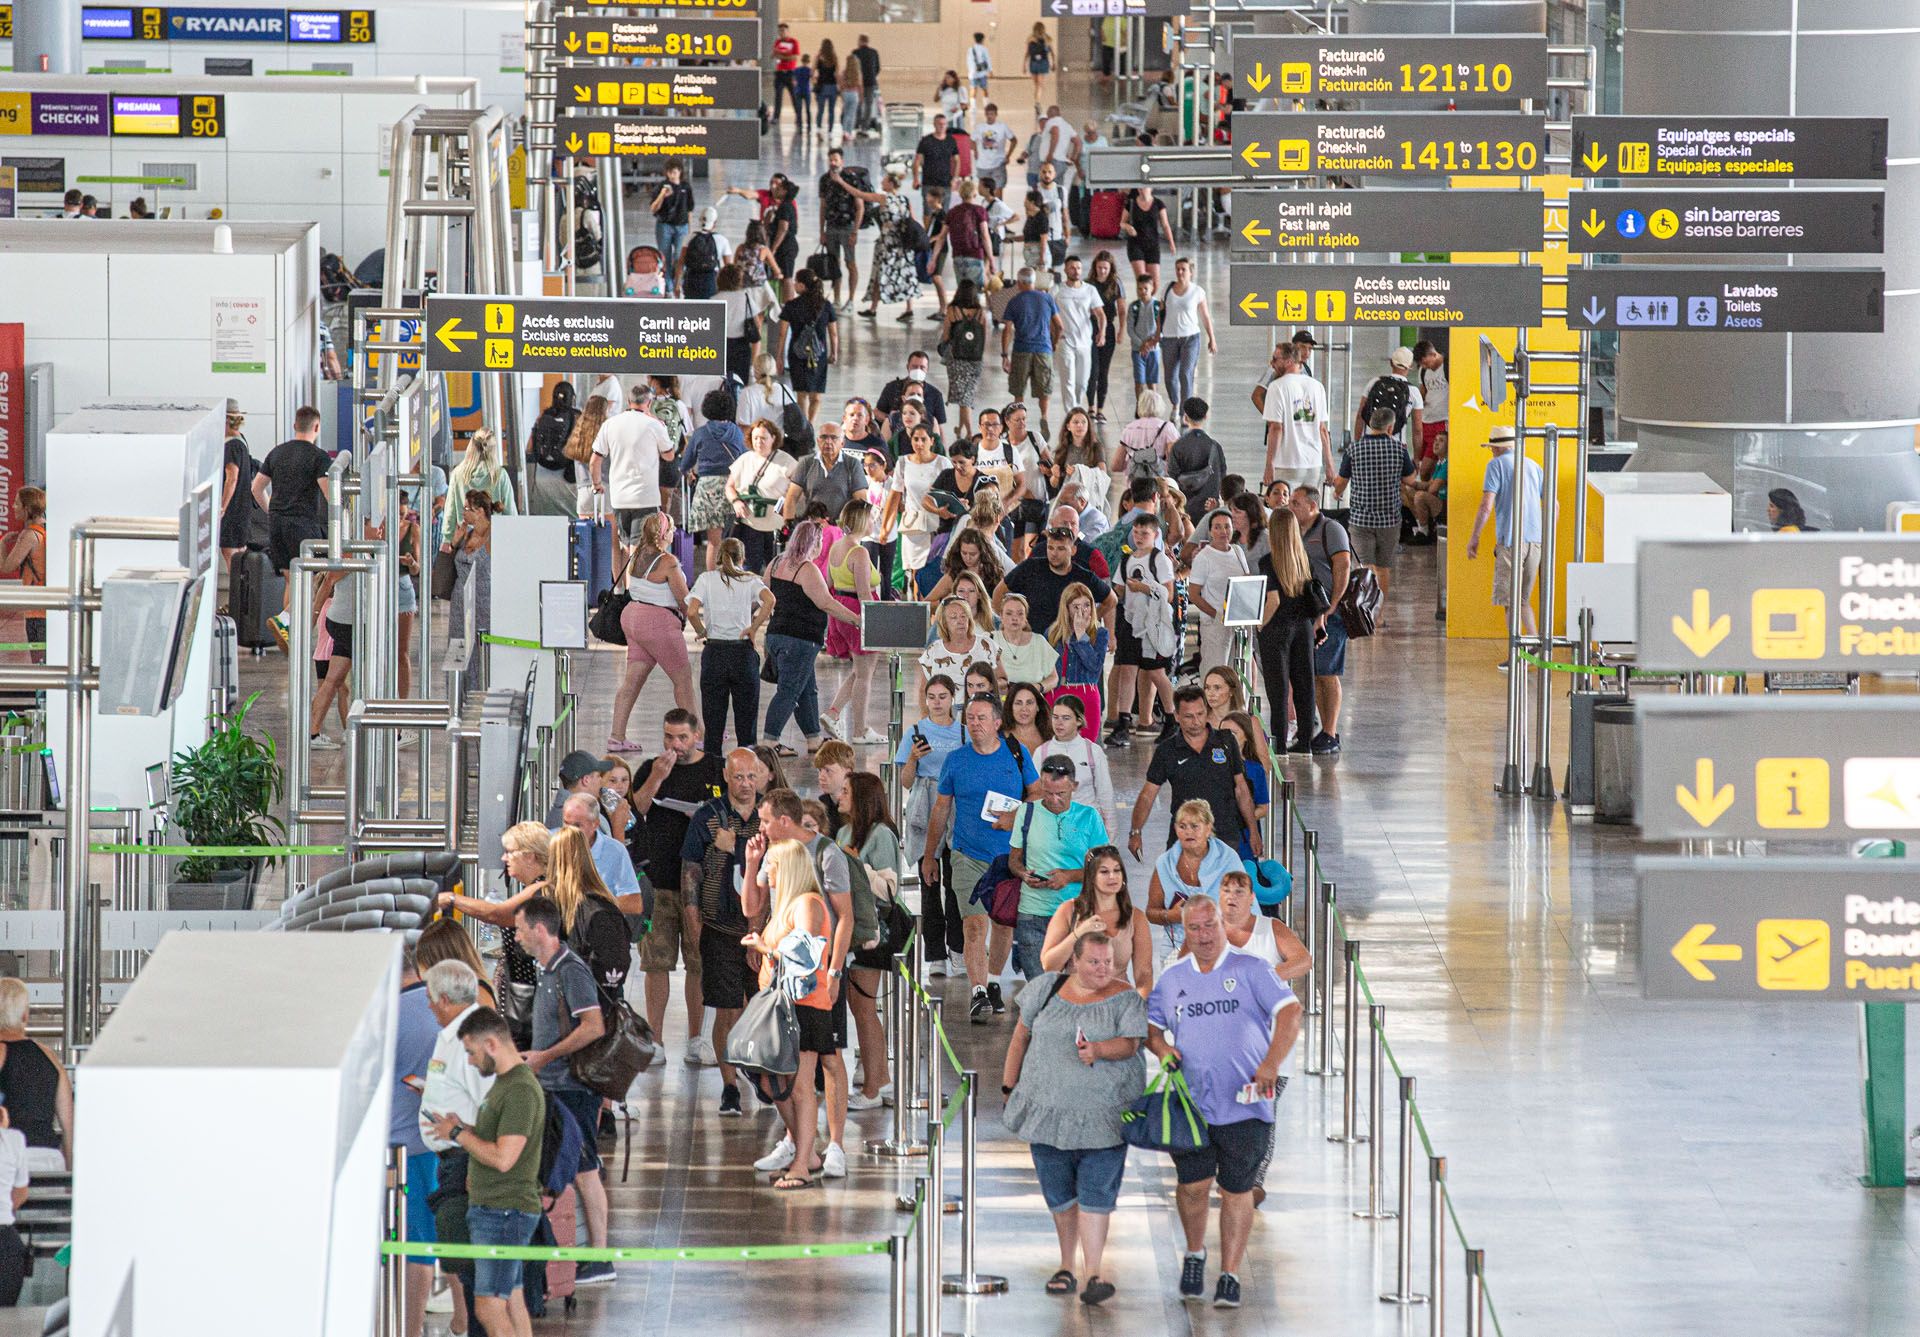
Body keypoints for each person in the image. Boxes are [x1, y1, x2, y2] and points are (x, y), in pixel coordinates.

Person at [1147, 896, 1301, 1308]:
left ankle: (1230, 1273)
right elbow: (1153, 1027)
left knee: (1238, 1189)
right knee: (1192, 1188)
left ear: (1222, 925)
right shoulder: (1173, 977)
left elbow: (1290, 1012)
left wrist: (1271, 1063)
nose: (1203, 935)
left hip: (1247, 1106)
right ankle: (1195, 1253)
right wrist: (1162, 1049)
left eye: (1209, 926)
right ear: (1184, 931)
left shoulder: (1253, 970)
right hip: (1193, 1106)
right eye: (1194, 928)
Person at [1000, 930, 1147, 1308]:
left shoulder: (1125, 998)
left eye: (1108, 962)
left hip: (1105, 1116)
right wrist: (1008, 1087)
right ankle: (1067, 1265)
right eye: (1094, 962)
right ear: (1074, 962)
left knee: (1097, 1192)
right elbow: (1020, 1037)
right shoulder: (1046, 988)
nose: (1103, 969)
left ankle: (1094, 1273)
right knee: (1060, 1193)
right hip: (1047, 1113)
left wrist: (1099, 1049)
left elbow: (1130, 1044)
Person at [511, 896, 616, 1285]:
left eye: (520, 929)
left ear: (540, 930)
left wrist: (545, 1057)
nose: (517, 937)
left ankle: (601, 1258)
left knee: (586, 1170)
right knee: (575, 1168)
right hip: (554, 1085)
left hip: (572, 1088)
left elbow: (593, 1026)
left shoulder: (571, 971)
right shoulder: (548, 970)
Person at [425, 1007, 545, 1337]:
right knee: (512, 1299)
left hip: (503, 1211)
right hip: (498, 1209)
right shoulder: (507, 1084)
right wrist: (464, 1126)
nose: (470, 1061)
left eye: (471, 1052)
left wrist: (457, 1135)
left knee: (489, 1307)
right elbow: (501, 1137)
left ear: (492, 1044)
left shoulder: (519, 1090)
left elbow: (505, 1157)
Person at [921, 693, 1040, 1019]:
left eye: (981, 718)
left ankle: (993, 982)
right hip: (966, 855)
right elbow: (941, 807)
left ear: (998, 722)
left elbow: (1037, 795)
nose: (974, 724)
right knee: (974, 925)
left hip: (1009, 859)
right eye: (970, 718)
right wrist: (929, 855)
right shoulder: (956, 761)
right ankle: (977, 992)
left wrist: (1015, 819)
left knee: (1003, 926)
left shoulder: (1016, 754)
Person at [738, 838, 836, 1189]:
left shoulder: (808, 904)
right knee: (773, 1079)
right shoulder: (787, 906)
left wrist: (764, 947)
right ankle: (804, 1150)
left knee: (800, 1087)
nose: (769, 874)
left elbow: (805, 958)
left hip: (805, 1007)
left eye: (772, 867)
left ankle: (803, 1161)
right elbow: (751, 905)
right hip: (781, 1004)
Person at [679, 748, 763, 1116]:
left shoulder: (768, 817)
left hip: (763, 929)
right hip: (719, 925)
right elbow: (690, 871)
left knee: (760, 1007)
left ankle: (761, 1072)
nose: (745, 784)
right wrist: (693, 922)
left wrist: (739, 846)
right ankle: (730, 1084)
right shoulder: (707, 818)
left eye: (751, 776)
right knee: (725, 1009)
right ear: (726, 777)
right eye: (739, 776)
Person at [415, 959, 491, 1337]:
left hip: (467, 1166)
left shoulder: (471, 1040)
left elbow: (493, 1111)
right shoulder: (454, 1034)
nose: (427, 1005)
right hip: (454, 1160)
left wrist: (458, 1131)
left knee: (476, 1275)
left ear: (444, 998)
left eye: (430, 999)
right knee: (461, 1260)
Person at [1129, 685, 1261, 860]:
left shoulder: (1227, 742)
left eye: (1200, 714)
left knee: (1223, 887)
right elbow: (1148, 795)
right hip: (1184, 839)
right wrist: (1135, 831)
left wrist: (1253, 831)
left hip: (1225, 837)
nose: (1196, 721)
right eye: (1189, 716)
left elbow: (1241, 789)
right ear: (1176, 716)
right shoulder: (1167, 750)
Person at [763, 521, 861, 756]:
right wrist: (857, 619)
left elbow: (765, 590)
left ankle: (813, 739)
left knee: (807, 690)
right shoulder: (807, 569)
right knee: (789, 691)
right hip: (800, 640)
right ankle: (769, 743)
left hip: (776, 635)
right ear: (815, 543)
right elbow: (826, 603)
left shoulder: (776, 563)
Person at [1007, 754, 1107, 975]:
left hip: (1077, 914)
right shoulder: (1026, 812)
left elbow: (1103, 868)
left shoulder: (1089, 817)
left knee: (1074, 989)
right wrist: (1023, 874)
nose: (1053, 800)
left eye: (1060, 794)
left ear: (1074, 786)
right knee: (1041, 990)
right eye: (1047, 792)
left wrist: (1068, 877)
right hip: (1032, 914)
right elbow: (1013, 859)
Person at [837, 771, 902, 1107]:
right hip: (849, 928)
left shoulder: (881, 835)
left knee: (864, 1007)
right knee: (857, 1006)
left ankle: (874, 1086)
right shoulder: (845, 831)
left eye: (846, 791)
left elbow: (890, 889)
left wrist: (853, 866)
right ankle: (880, 1080)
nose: (839, 796)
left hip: (872, 929)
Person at [390, 948, 444, 1337]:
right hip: (429, 1145)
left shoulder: (389, 1016)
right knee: (427, 1239)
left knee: (413, 1245)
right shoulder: (433, 1009)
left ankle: (406, 1329)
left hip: (398, 1147)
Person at [899, 674, 967, 972]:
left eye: (943, 696)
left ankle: (958, 947)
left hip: (956, 805)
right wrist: (913, 758)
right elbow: (905, 781)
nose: (937, 703)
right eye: (932, 697)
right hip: (925, 804)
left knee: (955, 884)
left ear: (952, 697)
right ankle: (935, 953)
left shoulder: (964, 733)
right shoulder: (915, 732)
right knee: (929, 884)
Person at [251, 404, 330, 647]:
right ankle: (286, 619)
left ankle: (290, 632)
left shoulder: (276, 453)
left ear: (295, 425)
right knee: (315, 577)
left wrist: (271, 511)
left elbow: (257, 488)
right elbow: (329, 494)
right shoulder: (319, 457)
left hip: (277, 524)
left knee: (290, 578)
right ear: (316, 427)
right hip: (303, 526)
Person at [687, 539, 774, 754]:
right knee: (746, 724)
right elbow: (770, 600)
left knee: (713, 724)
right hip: (742, 653)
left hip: (715, 652)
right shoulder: (749, 580)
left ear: (718, 556)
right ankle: (746, 771)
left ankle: (712, 777)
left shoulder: (706, 579)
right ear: (742, 558)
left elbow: (691, 611)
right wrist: (754, 627)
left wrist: (701, 630)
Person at [1466, 422, 1544, 642]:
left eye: (1492, 447)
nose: (1491, 451)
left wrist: (1475, 538)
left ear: (1497, 448)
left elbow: (1486, 505)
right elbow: (1553, 505)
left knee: (1510, 602)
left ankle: (1516, 652)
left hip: (1511, 542)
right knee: (1522, 600)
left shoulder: (1496, 466)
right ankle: (1535, 641)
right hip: (1535, 542)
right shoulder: (1533, 465)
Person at [819, 498, 886, 745]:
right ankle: (860, 729)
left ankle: (834, 712)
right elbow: (864, 593)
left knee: (859, 670)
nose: (874, 521)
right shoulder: (859, 551)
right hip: (859, 613)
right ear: (861, 520)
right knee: (865, 674)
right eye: (871, 518)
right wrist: (875, 622)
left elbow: (830, 583)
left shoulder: (838, 546)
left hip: (840, 610)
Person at [1291, 485, 1351, 755]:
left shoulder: (1331, 529)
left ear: (1313, 506)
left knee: (1328, 673)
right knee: (1315, 672)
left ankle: (1331, 731)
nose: (1291, 507)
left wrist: (1332, 607)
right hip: (1309, 611)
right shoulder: (1297, 532)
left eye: (1296, 503)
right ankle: (1325, 731)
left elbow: (1343, 566)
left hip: (1330, 613)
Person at [1038, 847, 1152, 990]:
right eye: (1104, 872)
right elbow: (1049, 965)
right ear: (1091, 877)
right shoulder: (1068, 910)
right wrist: (1078, 933)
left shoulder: (1136, 918)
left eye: (1117, 870)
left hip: (1118, 1004)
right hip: (1077, 1005)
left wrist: (1140, 1006)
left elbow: (1144, 974)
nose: (1112, 876)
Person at [1256, 507, 1320, 753]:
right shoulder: (1304, 559)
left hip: (1277, 630)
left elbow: (1273, 601)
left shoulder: (1269, 562)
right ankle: (1305, 743)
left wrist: (1259, 624)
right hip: (1303, 627)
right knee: (1305, 685)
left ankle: (1280, 745)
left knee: (1278, 689)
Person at [1340, 404, 1416, 606]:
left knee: (1365, 566)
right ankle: (1378, 614)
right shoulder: (1399, 450)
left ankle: (1364, 607)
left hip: (1360, 519)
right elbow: (1410, 480)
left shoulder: (1353, 449)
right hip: (1389, 519)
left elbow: (1340, 483)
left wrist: (1336, 492)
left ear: (1369, 425)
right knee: (1383, 568)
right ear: (1390, 428)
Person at [1112, 511, 1177, 741]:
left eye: (1145, 533)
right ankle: (1123, 722)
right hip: (1131, 622)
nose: (1139, 537)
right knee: (1127, 670)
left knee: (1156, 672)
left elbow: (1168, 594)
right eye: (1136, 533)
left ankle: (1172, 719)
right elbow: (1119, 590)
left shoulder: (1160, 559)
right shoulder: (1127, 559)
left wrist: (1145, 588)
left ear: (1155, 534)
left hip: (1154, 624)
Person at [0, 979, 72, 1171]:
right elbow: (69, 1127)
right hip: (48, 1161)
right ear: (25, 1015)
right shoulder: (50, 1057)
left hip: (7, 1160)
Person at [996, 522, 1114, 633]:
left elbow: (1111, 600)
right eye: (1050, 548)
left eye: (1061, 549)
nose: (1054, 553)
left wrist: (1088, 624)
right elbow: (999, 592)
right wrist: (1003, 624)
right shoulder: (1031, 567)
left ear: (1073, 550)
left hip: (1065, 644)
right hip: (1031, 641)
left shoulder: (1084, 577)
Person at [844, 169, 921, 321]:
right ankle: (908, 308)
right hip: (903, 244)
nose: (881, 183)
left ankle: (873, 308)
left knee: (879, 273)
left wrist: (841, 182)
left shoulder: (884, 198)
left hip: (887, 243)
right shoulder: (904, 200)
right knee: (905, 273)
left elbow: (860, 195)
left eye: (884, 181)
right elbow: (912, 221)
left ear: (891, 184)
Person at [727, 417, 798, 573]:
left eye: (763, 438)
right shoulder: (744, 459)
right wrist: (736, 501)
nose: (759, 442)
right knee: (749, 568)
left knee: (776, 568)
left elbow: (799, 490)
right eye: (756, 438)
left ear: (773, 438)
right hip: (749, 523)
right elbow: (730, 486)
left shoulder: (786, 461)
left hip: (775, 524)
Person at [1260, 342, 1334, 492]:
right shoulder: (1317, 387)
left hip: (1287, 463)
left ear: (1288, 362)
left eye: (1275, 359)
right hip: (1313, 463)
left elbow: (1276, 428)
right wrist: (1329, 465)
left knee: (1285, 512)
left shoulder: (1277, 387)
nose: (1271, 363)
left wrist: (1269, 464)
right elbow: (1322, 430)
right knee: (1310, 511)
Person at [1036, 695, 1114, 832]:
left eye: (1066, 718)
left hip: (1087, 829)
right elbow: (1036, 795)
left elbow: (1106, 796)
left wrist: (1111, 842)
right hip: (1051, 829)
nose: (1059, 723)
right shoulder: (1041, 752)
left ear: (1079, 721)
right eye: (1055, 717)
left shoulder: (1094, 752)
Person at [1001, 267, 1064, 423]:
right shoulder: (1047, 298)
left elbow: (1007, 330)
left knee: (1018, 389)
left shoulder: (1014, 301)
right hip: (1043, 349)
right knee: (1044, 388)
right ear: (1034, 281)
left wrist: (1004, 354)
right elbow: (1060, 326)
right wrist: (1054, 343)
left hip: (1021, 350)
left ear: (1020, 282)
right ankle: (1044, 416)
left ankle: (1019, 419)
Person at [1046, 581, 1108, 739]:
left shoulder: (1100, 634)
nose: (1082, 611)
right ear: (1066, 609)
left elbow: (1095, 668)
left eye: (1086, 605)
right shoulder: (1052, 633)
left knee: (1087, 751)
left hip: (1087, 694)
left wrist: (1081, 637)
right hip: (1058, 693)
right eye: (1076, 606)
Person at [775, 269, 838, 423]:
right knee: (816, 396)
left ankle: (804, 426)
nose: (794, 285)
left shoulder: (791, 305)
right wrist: (834, 353)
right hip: (818, 355)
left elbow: (782, 334)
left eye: (796, 282)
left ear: (802, 286)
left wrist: (779, 356)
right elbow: (834, 333)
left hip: (797, 354)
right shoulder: (826, 305)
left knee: (801, 394)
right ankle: (811, 424)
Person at [1156, 257, 1215, 412]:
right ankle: (1175, 403)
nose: (1180, 272)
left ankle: (1184, 411)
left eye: (1184, 269)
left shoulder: (1197, 291)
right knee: (1169, 376)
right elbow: (1160, 313)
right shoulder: (1167, 289)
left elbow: (1205, 316)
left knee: (1186, 373)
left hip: (1190, 338)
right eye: (1178, 269)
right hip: (1169, 338)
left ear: (1190, 272)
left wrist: (1212, 338)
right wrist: (1157, 334)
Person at [1051, 255, 1106, 415]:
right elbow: (1049, 316)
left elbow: (1100, 314)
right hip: (1065, 341)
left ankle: (1076, 406)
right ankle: (1072, 414)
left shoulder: (1090, 290)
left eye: (1079, 268)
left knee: (1082, 382)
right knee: (1068, 380)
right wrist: (1053, 336)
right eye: (1072, 268)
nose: (1076, 271)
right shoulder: (1057, 290)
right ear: (1066, 269)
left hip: (1084, 342)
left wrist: (1101, 333)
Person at [785, 417, 865, 523]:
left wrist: (854, 530)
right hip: (812, 528)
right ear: (818, 441)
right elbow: (792, 497)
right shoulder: (806, 463)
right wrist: (788, 525)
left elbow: (861, 501)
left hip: (841, 529)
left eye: (833, 438)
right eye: (824, 437)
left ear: (842, 443)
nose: (828, 441)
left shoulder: (853, 464)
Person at [939, 282, 991, 437]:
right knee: (966, 396)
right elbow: (985, 337)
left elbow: (947, 335)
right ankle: (960, 428)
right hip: (975, 359)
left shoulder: (953, 310)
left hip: (957, 359)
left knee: (964, 399)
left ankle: (968, 432)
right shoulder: (981, 312)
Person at [1354, 344, 1424, 457]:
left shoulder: (1374, 383)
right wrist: (1416, 458)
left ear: (1391, 362)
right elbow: (1417, 429)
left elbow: (1360, 416)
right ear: (1409, 366)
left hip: (1369, 446)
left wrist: (1357, 445)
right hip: (1397, 447)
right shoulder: (1413, 391)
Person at [1169, 397, 1228, 522]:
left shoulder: (1178, 446)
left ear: (1185, 417)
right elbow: (1223, 477)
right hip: (1209, 507)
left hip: (1185, 508)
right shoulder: (1214, 446)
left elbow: (1172, 477)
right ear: (1206, 416)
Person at [216, 400, 256, 570]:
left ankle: (237, 595)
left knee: (230, 555)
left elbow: (231, 478)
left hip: (232, 509)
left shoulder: (231, 445)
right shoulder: (242, 440)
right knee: (240, 554)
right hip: (243, 507)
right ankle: (244, 594)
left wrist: (222, 507)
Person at [1086, 252, 1125, 422]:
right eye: (1100, 267)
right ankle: (1090, 408)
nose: (1102, 271)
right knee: (1092, 370)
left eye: (1105, 268)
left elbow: (1122, 309)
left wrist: (1121, 330)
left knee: (1103, 370)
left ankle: (1100, 408)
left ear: (1111, 269)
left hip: (1108, 327)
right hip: (1090, 328)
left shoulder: (1116, 284)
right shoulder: (1088, 284)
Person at [650, 162, 695, 294]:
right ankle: (668, 287)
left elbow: (689, 209)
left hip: (682, 226)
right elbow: (653, 208)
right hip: (664, 226)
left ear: (680, 172)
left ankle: (678, 283)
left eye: (674, 172)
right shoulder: (661, 187)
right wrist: (662, 196)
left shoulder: (685, 188)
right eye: (669, 172)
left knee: (679, 256)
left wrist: (689, 229)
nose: (672, 175)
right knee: (665, 257)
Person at [877, 349, 951, 428]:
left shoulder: (935, 395)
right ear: (907, 367)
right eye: (914, 367)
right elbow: (877, 412)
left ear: (927, 369)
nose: (918, 370)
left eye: (922, 367)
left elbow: (939, 426)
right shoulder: (891, 388)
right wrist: (892, 419)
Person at [1121, 186, 1174, 287]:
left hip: (1152, 245)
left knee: (1154, 284)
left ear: (1151, 188)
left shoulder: (1159, 204)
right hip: (1135, 244)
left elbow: (1165, 225)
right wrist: (1128, 227)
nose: (1141, 189)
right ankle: (1141, 302)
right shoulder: (1131, 203)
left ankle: (1149, 301)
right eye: (1139, 188)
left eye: (1144, 187)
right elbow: (1122, 223)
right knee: (1142, 280)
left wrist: (1171, 242)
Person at [678, 206, 727, 300]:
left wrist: (677, 284)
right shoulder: (722, 240)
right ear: (715, 223)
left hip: (691, 280)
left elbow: (681, 262)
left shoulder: (689, 238)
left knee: (691, 311)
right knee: (709, 311)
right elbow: (728, 267)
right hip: (711, 281)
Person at [1414, 339, 1449, 466]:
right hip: (1426, 420)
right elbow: (1422, 391)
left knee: (1427, 467)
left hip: (1442, 421)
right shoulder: (1423, 371)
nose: (1425, 366)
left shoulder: (1448, 367)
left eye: (1426, 363)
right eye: (1422, 364)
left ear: (1433, 354)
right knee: (1423, 465)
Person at [1127, 273, 1162, 398]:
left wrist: (1151, 343)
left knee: (1152, 381)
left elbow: (1161, 328)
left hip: (1153, 350)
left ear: (1152, 288)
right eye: (1139, 289)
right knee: (1139, 381)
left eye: (1145, 288)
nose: (1142, 292)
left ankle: (1153, 408)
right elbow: (1130, 329)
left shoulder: (1158, 306)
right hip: (1138, 350)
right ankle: (1140, 408)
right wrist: (1141, 344)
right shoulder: (1133, 307)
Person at [914, 113, 962, 204]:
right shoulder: (926, 140)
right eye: (939, 124)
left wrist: (955, 179)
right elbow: (917, 160)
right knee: (928, 213)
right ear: (934, 125)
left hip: (946, 183)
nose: (942, 126)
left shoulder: (951, 141)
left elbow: (957, 161)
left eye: (944, 124)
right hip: (929, 182)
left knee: (944, 212)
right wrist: (916, 178)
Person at [974, 104, 1015, 192]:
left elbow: (1014, 140)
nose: (990, 116)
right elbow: (972, 140)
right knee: (984, 191)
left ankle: (997, 205)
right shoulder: (980, 127)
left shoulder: (1002, 127)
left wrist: (1008, 156)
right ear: (985, 114)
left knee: (998, 190)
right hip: (983, 164)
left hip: (998, 164)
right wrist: (975, 151)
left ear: (996, 115)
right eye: (988, 114)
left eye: (992, 114)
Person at [771, 22, 801, 121]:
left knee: (794, 95)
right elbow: (773, 55)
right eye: (780, 31)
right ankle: (776, 117)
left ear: (788, 31)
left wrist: (782, 56)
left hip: (790, 72)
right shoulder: (777, 42)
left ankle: (798, 115)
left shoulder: (793, 42)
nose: (782, 33)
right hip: (779, 72)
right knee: (778, 96)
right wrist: (785, 56)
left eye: (783, 31)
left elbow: (794, 57)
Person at [852, 34, 881, 133]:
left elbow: (853, 68)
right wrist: (872, 76)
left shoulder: (855, 53)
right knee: (869, 104)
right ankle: (865, 126)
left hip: (858, 82)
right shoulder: (874, 52)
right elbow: (877, 68)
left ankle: (857, 124)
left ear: (860, 41)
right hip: (871, 82)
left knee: (858, 103)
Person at [813, 40, 840, 136]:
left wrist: (814, 83)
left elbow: (812, 72)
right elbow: (837, 74)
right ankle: (830, 131)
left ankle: (819, 128)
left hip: (822, 86)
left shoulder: (819, 57)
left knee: (820, 109)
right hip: (832, 86)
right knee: (831, 110)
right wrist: (839, 86)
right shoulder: (834, 57)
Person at [1025, 22, 1055, 107]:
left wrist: (1024, 64)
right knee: (1038, 84)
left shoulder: (1031, 39)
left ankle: (1037, 101)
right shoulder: (1047, 39)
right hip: (1043, 62)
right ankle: (1037, 100)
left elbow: (1027, 53)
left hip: (1034, 62)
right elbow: (1052, 53)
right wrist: (1054, 63)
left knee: (1037, 84)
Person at [965, 31, 993, 105]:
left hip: (973, 73)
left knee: (973, 89)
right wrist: (990, 71)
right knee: (984, 89)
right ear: (982, 40)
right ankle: (986, 104)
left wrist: (971, 71)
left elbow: (968, 61)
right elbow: (988, 60)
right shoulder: (984, 49)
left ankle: (973, 106)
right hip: (982, 73)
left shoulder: (970, 49)